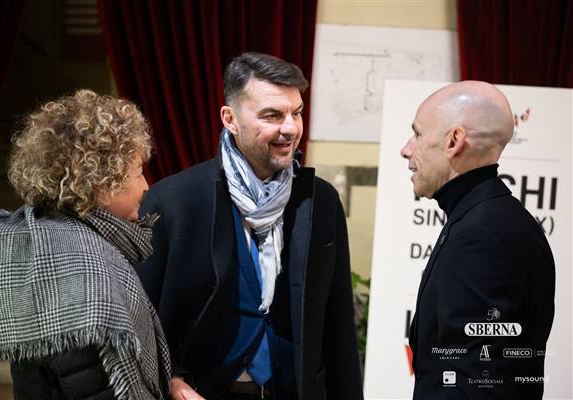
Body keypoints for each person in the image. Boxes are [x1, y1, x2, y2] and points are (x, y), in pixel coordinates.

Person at [137, 52, 363, 400]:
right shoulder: (173, 201)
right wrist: (170, 378)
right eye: (272, 115)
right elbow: (141, 316)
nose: (290, 128)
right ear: (230, 119)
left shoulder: (321, 201)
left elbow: (338, 323)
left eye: (296, 113)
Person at [0, 90, 172, 399]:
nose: (146, 185)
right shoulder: (79, 268)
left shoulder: (52, 242)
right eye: (137, 173)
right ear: (101, 183)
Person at [401, 81, 555, 399]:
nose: (406, 149)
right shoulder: (497, 219)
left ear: (454, 141)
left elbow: (474, 383)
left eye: (417, 134)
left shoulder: (479, 236)